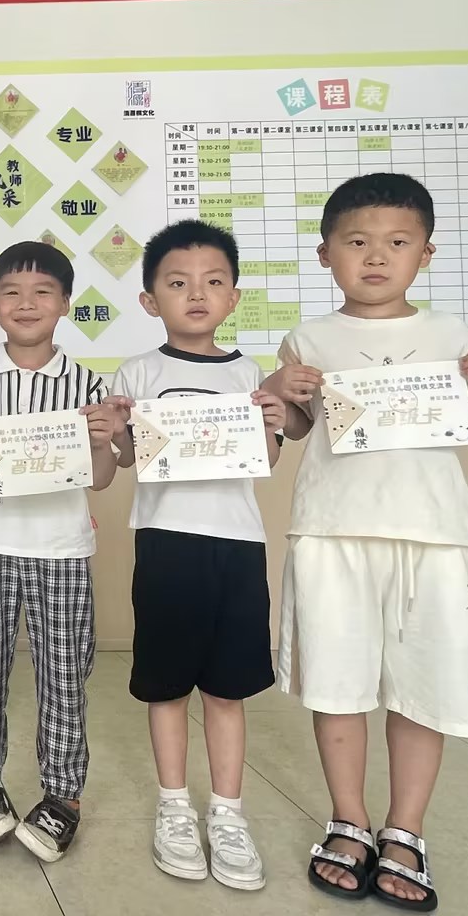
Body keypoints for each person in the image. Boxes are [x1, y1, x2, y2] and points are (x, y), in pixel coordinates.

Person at [264, 174, 468, 911]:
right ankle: (349, 820)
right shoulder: (308, 339)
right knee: (337, 684)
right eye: (357, 241)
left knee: (424, 686)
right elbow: (297, 428)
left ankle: (406, 830)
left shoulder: (452, 335)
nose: (376, 256)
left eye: (398, 242)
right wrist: (280, 390)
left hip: (434, 534)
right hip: (333, 532)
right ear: (325, 254)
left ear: (426, 252)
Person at [108, 221, 287, 890]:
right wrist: (115, 429)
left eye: (213, 282)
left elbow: (266, 460)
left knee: (227, 687)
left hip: (237, 545)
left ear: (233, 297)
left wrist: (271, 424)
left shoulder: (247, 373)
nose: (196, 294)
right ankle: (174, 806)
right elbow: (128, 456)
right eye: (178, 283)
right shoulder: (139, 372)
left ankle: (229, 814)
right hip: (165, 542)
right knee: (166, 685)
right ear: (150, 299)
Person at [0, 240, 124, 863]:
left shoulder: (88, 384)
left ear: (65, 303)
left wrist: (100, 440)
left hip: (62, 551)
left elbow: (103, 477)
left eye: (43, 292)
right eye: (11, 292)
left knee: (64, 676)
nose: (26, 303)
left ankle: (62, 797)